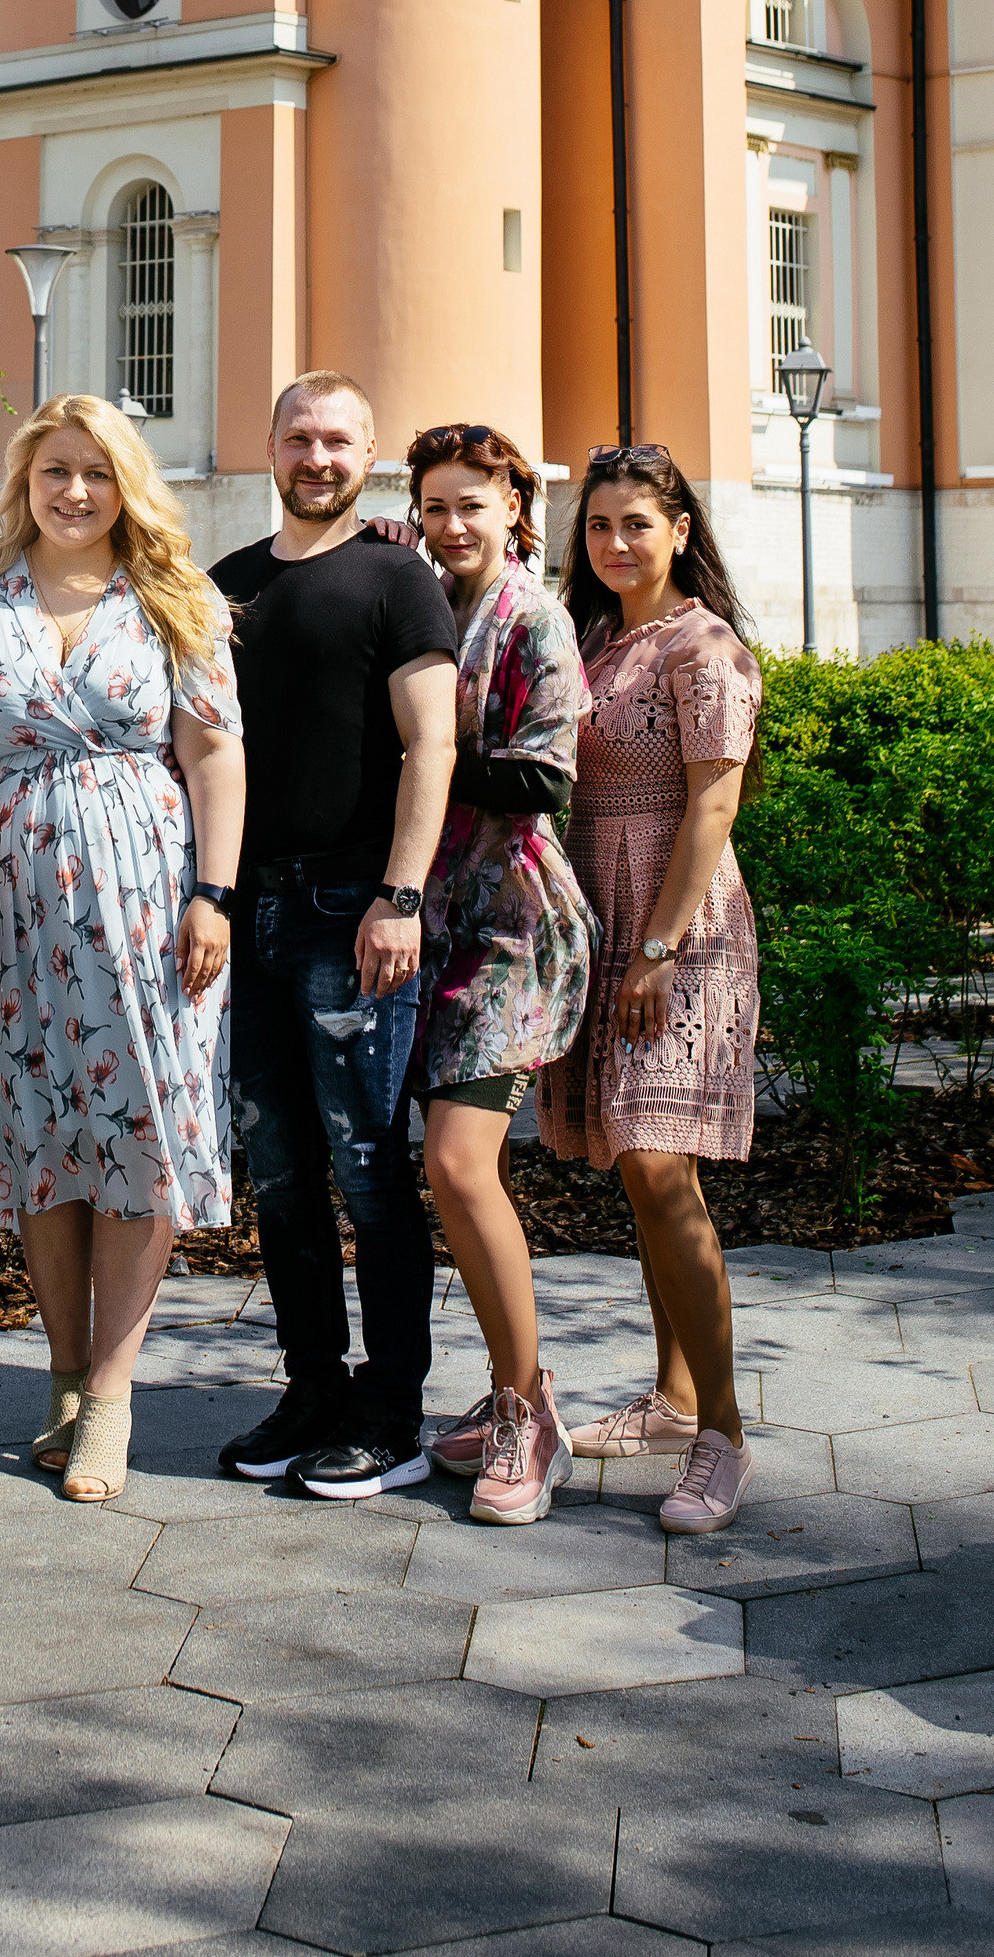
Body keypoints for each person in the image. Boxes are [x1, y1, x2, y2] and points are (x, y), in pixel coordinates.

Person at [0, 396, 245, 1504]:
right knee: (42, 1138)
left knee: (141, 1132)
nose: (73, 492)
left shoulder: (170, 598)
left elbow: (213, 759)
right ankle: (60, 1377)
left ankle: (113, 1395)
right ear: (26, 479)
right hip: (8, 912)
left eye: (96, 474)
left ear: (127, 485)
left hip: (149, 910)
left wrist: (212, 896)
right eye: (55, 470)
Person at [209, 372, 460, 1502]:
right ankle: (311, 1386)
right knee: (280, 1172)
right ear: (270, 446)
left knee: (368, 1168)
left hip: (352, 911)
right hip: (246, 911)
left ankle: (393, 1408)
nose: (318, 457)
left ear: (372, 457)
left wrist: (399, 897)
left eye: (339, 441)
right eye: (300, 437)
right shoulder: (229, 587)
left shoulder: (400, 578)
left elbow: (433, 748)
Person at [538, 443, 763, 1537]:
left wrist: (661, 946)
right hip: (601, 906)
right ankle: (674, 1397)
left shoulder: (700, 644)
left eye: (638, 523)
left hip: (679, 921)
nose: (616, 543)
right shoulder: (591, 639)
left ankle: (722, 1432)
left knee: (663, 1162)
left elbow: (715, 807)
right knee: (632, 1159)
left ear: (680, 529)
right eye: (599, 525)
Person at [405, 421, 598, 1526]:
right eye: (435, 504)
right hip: (434, 924)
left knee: (460, 1162)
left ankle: (529, 1414)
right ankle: (511, 1383)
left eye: (472, 503)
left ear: (517, 506)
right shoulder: (426, 599)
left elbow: (542, 774)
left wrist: (416, 758)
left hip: (512, 928)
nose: (451, 523)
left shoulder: (531, 617)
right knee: (444, 1174)